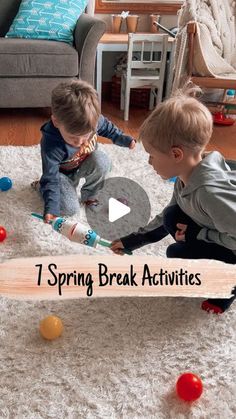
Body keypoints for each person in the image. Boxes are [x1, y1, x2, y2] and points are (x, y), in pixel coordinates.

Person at [111, 87, 236, 314]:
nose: (149, 162)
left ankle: (226, 289)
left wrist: (201, 235)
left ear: (176, 154)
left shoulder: (209, 193)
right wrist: (132, 241)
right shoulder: (185, 177)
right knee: (173, 223)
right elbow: (165, 216)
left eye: (152, 155)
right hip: (216, 226)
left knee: (180, 255)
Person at [32, 80, 136, 224]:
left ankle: (90, 196)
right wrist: (52, 208)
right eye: (73, 138)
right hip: (60, 177)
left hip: (83, 165)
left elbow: (109, 129)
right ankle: (40, 186)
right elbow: (52, 178)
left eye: (87, 135)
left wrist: (125, 139)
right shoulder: (51, 145)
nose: (81, 142)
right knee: (70, 209)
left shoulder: (93, 120)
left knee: (102, 161)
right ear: (56, 122)